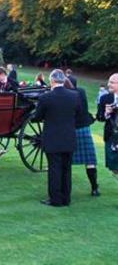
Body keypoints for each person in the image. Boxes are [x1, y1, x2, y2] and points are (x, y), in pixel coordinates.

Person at [33, 69, 82, 207]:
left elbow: (37, 117)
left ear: (52, 80)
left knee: (54, 169)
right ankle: (66, 198)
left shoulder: (45, 97)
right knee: (66, 169)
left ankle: (55, 199)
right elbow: (78, 115)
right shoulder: (75, 96)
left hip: (52, 138)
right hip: (68, 137)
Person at [64, 79, 99, 196]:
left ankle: (65, 189)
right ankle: (94, 188)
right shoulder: (82, 92)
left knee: (67, 161)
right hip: (84, 127)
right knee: (90, 161)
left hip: (70, 129)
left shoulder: (66, 96)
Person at [96, 73, 118, 179]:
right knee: (113, 167)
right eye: (109, 82)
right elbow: (99, 117)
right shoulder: (105, 98)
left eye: (112, 82)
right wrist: (106, 113)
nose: (109, 84)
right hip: (111, 135)